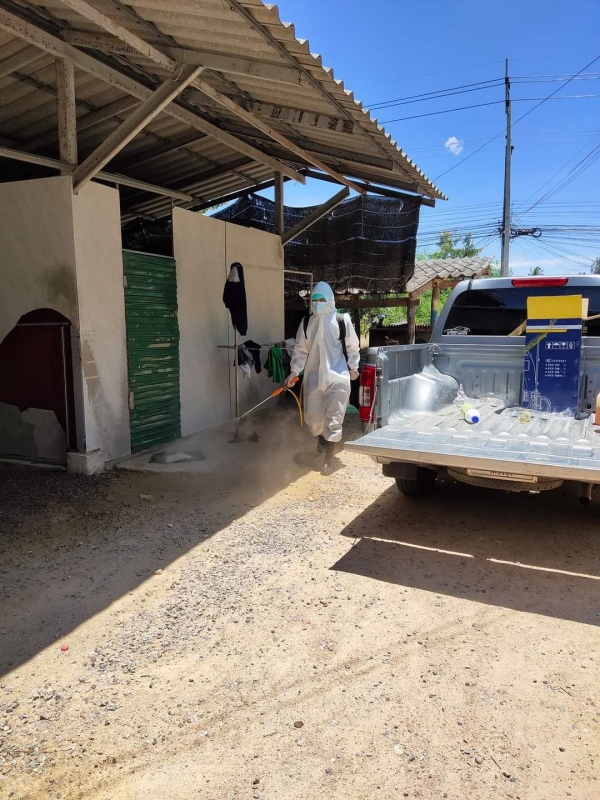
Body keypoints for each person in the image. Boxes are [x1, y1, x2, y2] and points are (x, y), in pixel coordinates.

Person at [285, 282, 360, 475]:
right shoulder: (306, 323)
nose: (318, 303)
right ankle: (321, 437)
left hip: (338, 376)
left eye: (322, 299)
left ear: (330, 300)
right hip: (313, 378)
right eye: (315, 299)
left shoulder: (342, 320)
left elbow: (353, 346)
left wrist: (354, 367)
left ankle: (328, 461)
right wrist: (294, 372)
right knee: (314, 419)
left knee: (334, 418)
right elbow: (300, 350)